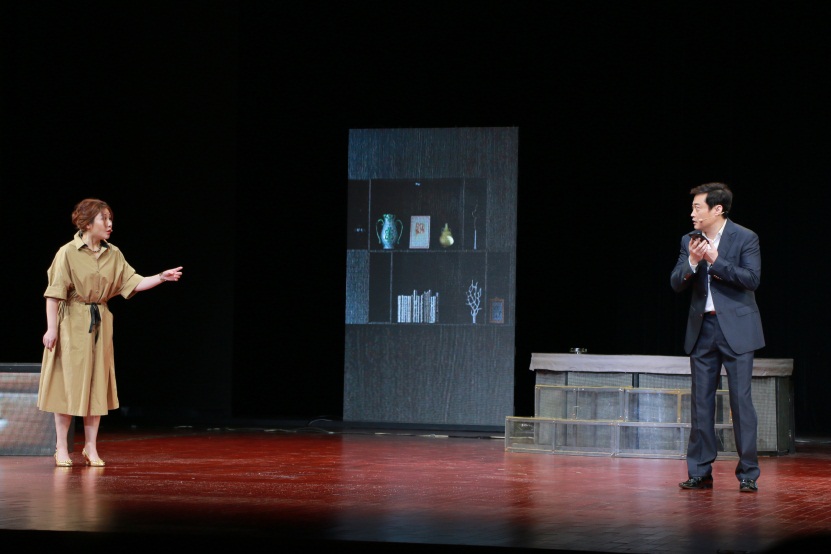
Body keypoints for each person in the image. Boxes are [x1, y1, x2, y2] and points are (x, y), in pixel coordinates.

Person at [38, 198, 183, 467]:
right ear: (87, 223)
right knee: (68, 386)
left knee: (96, 385)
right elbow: (54, 295)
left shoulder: (113, 253)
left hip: (100, 323)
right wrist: (52, 329)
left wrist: (161, 277)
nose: (109, 224)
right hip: (72, 323)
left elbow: (133, 282)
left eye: (110, 218)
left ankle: (90, 448)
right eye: (104, 219)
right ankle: (61, 447)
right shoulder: (67, 252)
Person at [670, 182, 764, 493]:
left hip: (737, 330)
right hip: (703, 329)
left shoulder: (745, 237)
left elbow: (751, 279)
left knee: (741, 402)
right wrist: (693, 261)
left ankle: (748, 473)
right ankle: (700, 471)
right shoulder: (689, 240)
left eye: (698, 207)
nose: (692, 213)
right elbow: (676, 283)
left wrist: (715, 260)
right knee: (701, 403)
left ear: (717, 209)